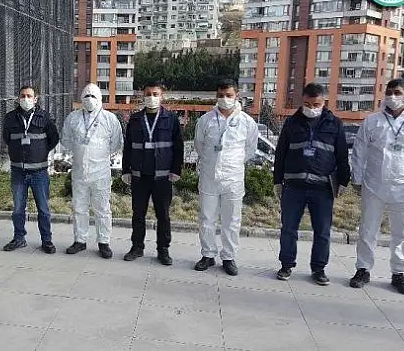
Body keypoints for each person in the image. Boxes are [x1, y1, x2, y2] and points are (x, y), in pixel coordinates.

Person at [349, 79, 404, 295]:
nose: (392, 97)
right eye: (389, 92)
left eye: (397, 92)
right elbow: (359, 150)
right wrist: (357, 179)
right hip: (374, 184)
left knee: (402, 232)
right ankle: (363, 269)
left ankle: (399, 273)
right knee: (367, 229)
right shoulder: (373, 121)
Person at [273, 83, 350, 285]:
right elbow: (280, 153)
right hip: (294, 186)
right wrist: (277, 180)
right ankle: (286, 265)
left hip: (322, 188)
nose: (311, 108)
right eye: (307, 104)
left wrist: (343, 181)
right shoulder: (292, 123)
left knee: (322, 231)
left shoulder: (335, 124)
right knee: (288, 228)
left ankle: (319, 269)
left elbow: (342, 155)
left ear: (324, 102)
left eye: (316, 104)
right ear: (302, 101)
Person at [193, 80, 258, 276]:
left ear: (237, 96)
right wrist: (212, 162)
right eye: (221, 95)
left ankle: (228, 257)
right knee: (207, 218)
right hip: (209, 176)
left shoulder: (247, 122)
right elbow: (199, 145)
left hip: (233, 178)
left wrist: (232, 163)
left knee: (232, 220)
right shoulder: (206, 120)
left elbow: (250, 149)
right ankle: (208, 254)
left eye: (229, 95)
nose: (224, 99)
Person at [121, 81, 184, 266]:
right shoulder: (135, 119)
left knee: (163, 215)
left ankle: (163, 250)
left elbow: (178, 146)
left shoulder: (171, 118)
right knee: (138, 214)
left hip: (162, 177)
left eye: (155, 94)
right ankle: (137, 247)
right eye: (148, 94)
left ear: (162, 95)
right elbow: (128, 146)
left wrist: (176, 170)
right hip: (140, 176)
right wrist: (126, 170)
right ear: (143, 95)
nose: (151, 97)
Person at [60, 83, 123, 259]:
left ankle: (104, 242)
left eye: (93, 96)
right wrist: (80, 150)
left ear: (100, 99)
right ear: (81, 98)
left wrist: (98, 154)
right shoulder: (73, 118)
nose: (89, 99)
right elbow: (66, 139)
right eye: (86, 96)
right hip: (79, 172)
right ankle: (80, 240)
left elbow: (116, 143)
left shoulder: (109, 119)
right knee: (79, 208)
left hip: (101, 172)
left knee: (102, 209)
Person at [2, 85, 60, 254]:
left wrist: (40, 152)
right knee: (18, 209)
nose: (25, 99)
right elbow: (7, 139)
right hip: (18, 172)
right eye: (22, 96)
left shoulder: (45, 117)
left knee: (43, 209)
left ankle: (47, 241)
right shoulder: (10, 118)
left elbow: (54, 138)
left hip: (39, 172)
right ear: (18, 98)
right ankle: (19, 238)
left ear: (35, 99)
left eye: (29, 96)